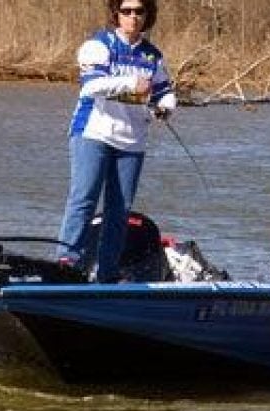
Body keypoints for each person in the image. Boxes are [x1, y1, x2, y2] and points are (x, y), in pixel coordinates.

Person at [57, 0, 176, 283]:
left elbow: (165, 93)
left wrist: (166, 107)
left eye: (139, 11)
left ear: (147, 16)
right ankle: (67, 262)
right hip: (93, 133)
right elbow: (91, 86)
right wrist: (130, 85)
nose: (133, 17)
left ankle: (108, 274)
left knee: (118, 212)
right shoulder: (98, 46)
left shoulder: (153, 57)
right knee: (84, 199)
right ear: (116, 14)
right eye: (127, 11)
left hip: (132, 142)